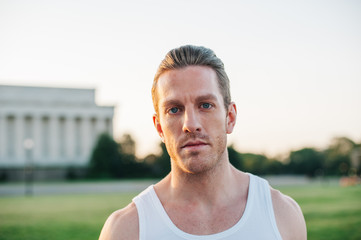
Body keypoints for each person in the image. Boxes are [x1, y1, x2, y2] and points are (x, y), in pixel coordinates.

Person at [99, 45, 307, 240]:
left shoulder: (282, 215)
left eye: (205, 105)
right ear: (159, 127)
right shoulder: (125, 230)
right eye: (174, 109)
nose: (191, 124)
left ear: (230, 117)